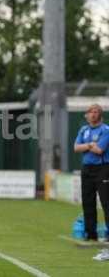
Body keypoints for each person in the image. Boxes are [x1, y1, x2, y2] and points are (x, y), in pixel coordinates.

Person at [74, 104, 109, 246]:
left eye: (96, 112)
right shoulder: (84, 130)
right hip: (87, 168)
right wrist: (89, 145)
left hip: (103, 168)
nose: (93, 114)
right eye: (91, 112)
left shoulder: (105, 130)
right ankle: (90, 234)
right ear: (86, 115)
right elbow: (76, 147)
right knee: (88, 201)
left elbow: (100, 150)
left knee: (106, 202)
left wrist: (87, 146)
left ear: (100, 115)